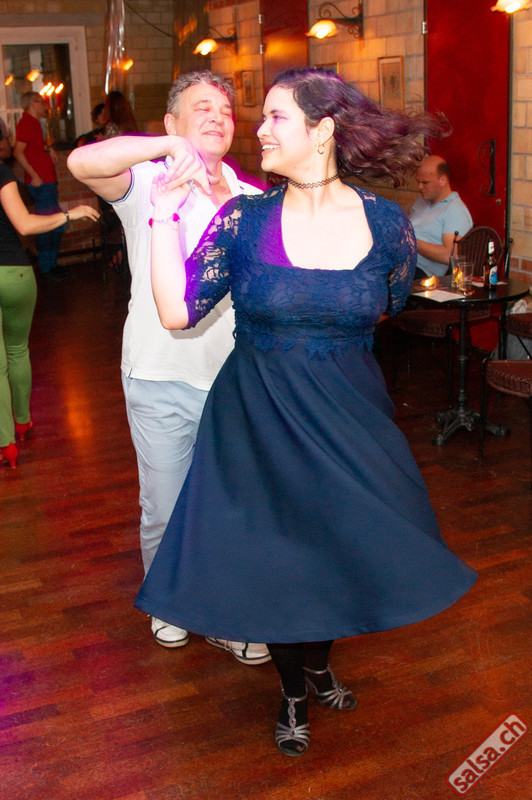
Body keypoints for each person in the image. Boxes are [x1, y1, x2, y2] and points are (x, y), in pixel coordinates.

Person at [135, 67, 478, 757]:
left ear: (322, 130)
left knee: (333, 546)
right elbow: (175, 312)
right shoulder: (243, 220)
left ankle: (318, 664)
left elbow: (389, 303)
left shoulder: (386, 223)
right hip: (256, 418)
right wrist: (163, 214)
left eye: (275, 117)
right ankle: (293, 690)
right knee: (279, 558)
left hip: (348, 415)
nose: (258, 130)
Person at [67, 71, 270, 665]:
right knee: (165, 502)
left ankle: (225, 614)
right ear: (172, 123)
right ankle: (170, 603)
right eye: (201, 108)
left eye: (225, 109)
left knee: (230, 505)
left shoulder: (252, 199)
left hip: (233, 380)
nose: (217, 117)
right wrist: (166, 150)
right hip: (160, 374)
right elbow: (82, 163)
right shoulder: (149, 182)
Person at [0, 159, 99, 468]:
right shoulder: (1, 170)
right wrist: (68, 214)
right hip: (14, 273)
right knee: (17, 350)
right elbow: (24, 224)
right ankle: (22, 421)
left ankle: (5, 444)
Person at [14, 92, 66, 277]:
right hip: (41, 183)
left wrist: (48, 148)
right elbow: (18, 151)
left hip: (47, 181)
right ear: (32, 104)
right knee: (48, 226)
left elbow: (33, 147)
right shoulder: (26, 123)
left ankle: (50, 265)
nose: (45, 105)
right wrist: (33, 175)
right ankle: (47, 268)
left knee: (55, 225)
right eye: (41, 102)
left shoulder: (35, 123)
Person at [409, 155, 473, 278]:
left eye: (425, 182)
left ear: (443, 180)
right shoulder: (422, 202)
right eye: (418, 182)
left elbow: (450, 255)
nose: (420, 187)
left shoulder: (455, 210)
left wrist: (410, 241)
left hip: (421, 271)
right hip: (399, 261)